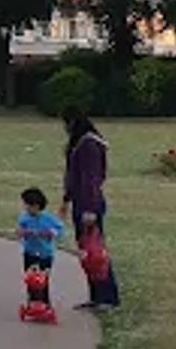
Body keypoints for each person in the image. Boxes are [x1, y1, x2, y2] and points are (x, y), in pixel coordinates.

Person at [61, 113, 121, 309]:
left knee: (96, 252)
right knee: (88, 251)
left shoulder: (89, 146)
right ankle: (96, 294)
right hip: (80, 201)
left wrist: (90, 209)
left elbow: (90, 180)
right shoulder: (82, 144)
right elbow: (73, 176)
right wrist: (67, 199)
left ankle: (108, 296)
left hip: (89, 204)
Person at [18, 186, 66, 312]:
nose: (26, 208)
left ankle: (44, 304)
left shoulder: (48, 218)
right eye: (25, 205)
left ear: (37, 206)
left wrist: (51, 233)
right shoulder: (24, 218)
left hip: (45, 254)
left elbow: (60, 229)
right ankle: (32, 302)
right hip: (30, 253)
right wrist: (23, 233)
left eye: (28, 206)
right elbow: (20, 231)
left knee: (42, 280)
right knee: (30, 279)